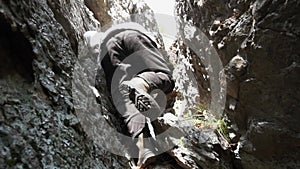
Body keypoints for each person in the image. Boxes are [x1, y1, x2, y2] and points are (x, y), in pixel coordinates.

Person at [85, 22, 174, 168]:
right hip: (130, 38)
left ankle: (143, 148)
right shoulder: (126, 32)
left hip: (106, 55)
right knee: (165, 76)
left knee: (124, 97)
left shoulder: (100, 44)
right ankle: (141, 84)